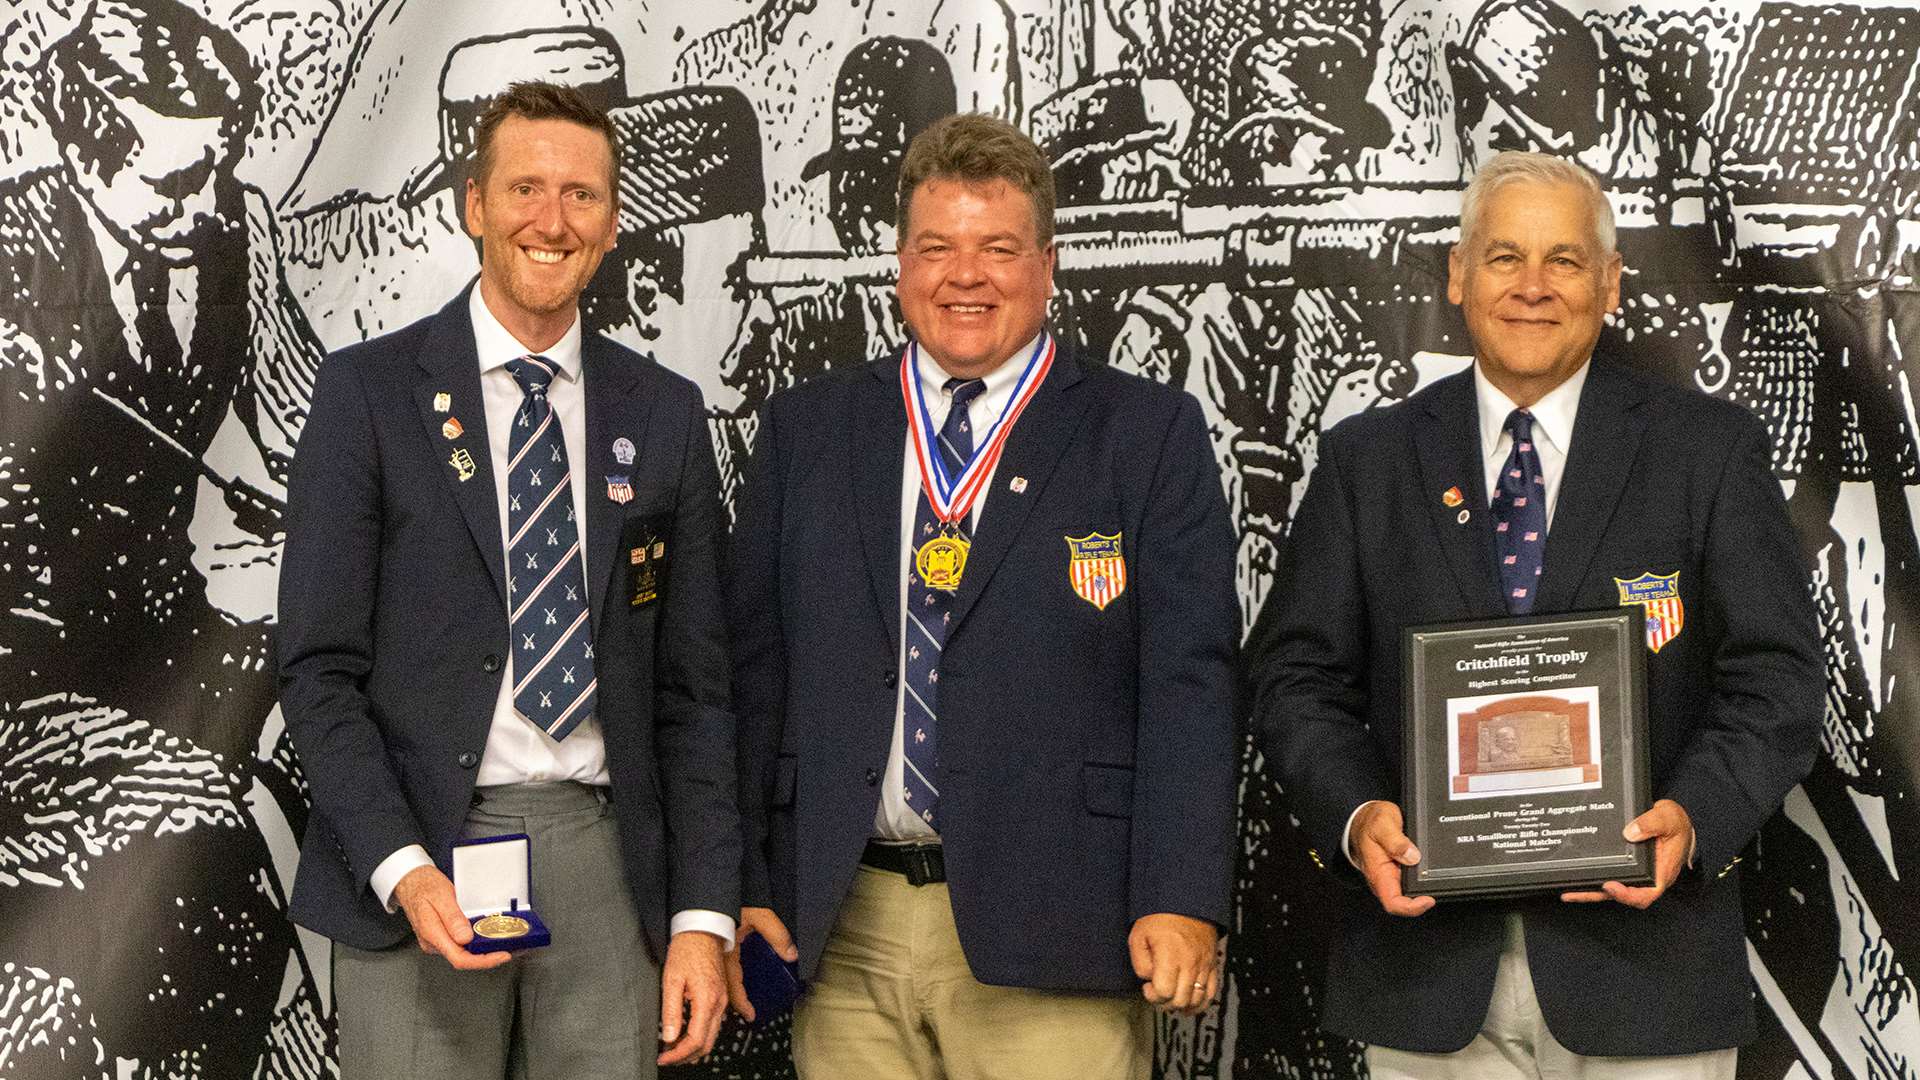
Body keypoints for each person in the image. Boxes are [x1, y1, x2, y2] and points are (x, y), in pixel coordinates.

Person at [1250, 150, 1822, 1078]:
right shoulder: (1368, 461)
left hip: (1650, 980)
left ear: (1610, 284)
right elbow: (1293, 679)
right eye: (1504, 256)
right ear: (1457, 274)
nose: (1531, 287)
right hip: (1427, 978)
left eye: (1563, 260)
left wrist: (1694, 818)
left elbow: (1779, 678)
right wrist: (1359, 817)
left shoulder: (1707, 450)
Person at [725, 112, 1238, 1079]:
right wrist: (747, 880)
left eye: (998, 248)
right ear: (899, 266)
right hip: (843, 926)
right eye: (937, 249)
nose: (966, 276)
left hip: (1059, 921)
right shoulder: (806, 430)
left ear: (1047, 265)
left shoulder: (1145, 433)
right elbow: (754, 676)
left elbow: (1190, 687)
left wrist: (1182, 893)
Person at [277, 81, 739, 1078]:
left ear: (614, 225)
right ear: (474, 204)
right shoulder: (367, 395)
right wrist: (401, 869)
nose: (552, 219)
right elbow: (318, 670)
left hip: (609, 863)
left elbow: (696, 695)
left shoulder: (665, 414)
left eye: (582, 195)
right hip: (423, 861)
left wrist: (702, 916)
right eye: (525, 188)